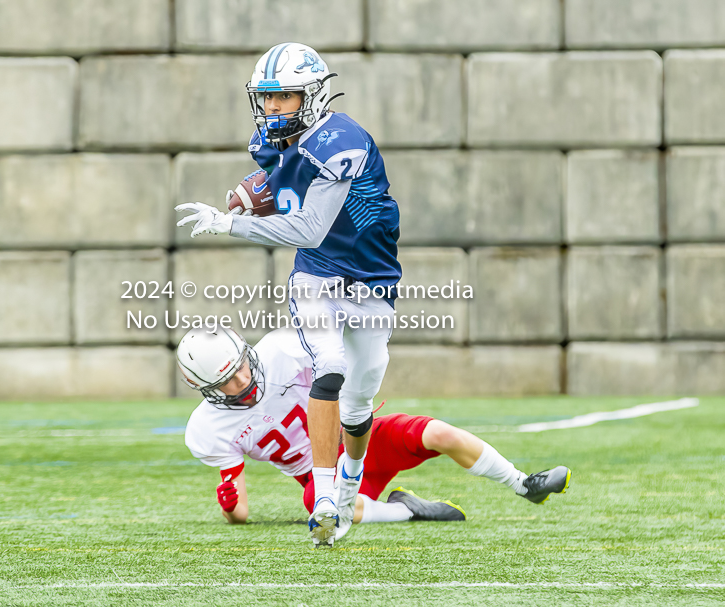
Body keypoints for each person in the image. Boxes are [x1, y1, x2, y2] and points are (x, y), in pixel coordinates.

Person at [176, 42, 402, 547]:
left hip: (370, 278)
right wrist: (255, 187)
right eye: (268, 97)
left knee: (361, 396)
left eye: (286, 97)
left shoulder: (343, 139)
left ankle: (347, 485)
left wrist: (230, 222)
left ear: (314, 96)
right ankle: (324, 501)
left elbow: (309, 226)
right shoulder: (271, 140)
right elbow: (280, 176)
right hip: (317, 276)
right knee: (329, 367)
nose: (273, 108)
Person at [177, 327, 572, 539]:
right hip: (320, 475)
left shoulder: (282, 349)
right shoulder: (207, 429)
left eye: (242, 367)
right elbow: (240, 514)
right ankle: (408, 510)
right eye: (227, 381)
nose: (243, 381)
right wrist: (230, 507)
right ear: (203, 387)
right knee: (320, 503)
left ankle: (524, 483)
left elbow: (341, 366)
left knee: (438, 433)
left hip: (357, 437)